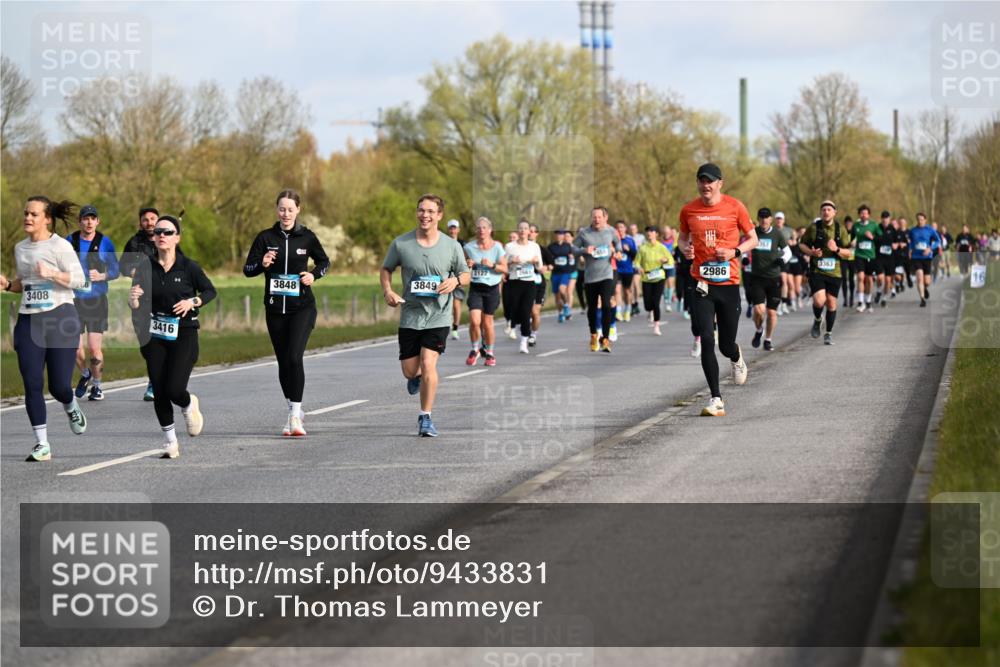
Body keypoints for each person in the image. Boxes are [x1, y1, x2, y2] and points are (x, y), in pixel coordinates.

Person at [1, 197, 88, 461]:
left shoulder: (60, 246)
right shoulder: (20, 248)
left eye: (34, 214)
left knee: (59, 387)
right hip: (29, 321)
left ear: (47, 219)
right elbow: (25, 283)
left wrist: (53, 273)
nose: (27, 218)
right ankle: (42, 444)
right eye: (26, 213)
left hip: (60, 318)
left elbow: (80, 280)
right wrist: (8, 285)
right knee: (32, 382)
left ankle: (70, 403)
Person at [243, 189, 331, 437]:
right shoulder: (265, 238)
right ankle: (292, 409)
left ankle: (295, 416)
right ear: (277, 210)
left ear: (298, 210)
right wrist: (262, 264)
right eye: (282, 209)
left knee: (294, 357)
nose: (286, 214)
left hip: (301, 307)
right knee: (283, 361)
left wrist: (313, 275)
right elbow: (247, 269)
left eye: (290, 209)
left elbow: (325, 262)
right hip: (274, 309)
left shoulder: (307, 237)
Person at [381, 194, 470, 437]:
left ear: (439, 215)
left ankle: (425, 417)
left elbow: (465, 274)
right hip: (411, 315)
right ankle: (417, 376)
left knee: (429, 362)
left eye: (430, 211)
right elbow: (386, 269)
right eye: (421, 210)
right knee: (410, 371)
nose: (425, 215)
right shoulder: (402, 243)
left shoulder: (452, 246)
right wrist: (388, 290)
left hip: (439, 315)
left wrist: (455, 281)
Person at [129, 214, 213, 459]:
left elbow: (210, 291)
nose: (161, 236)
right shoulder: (145, 267)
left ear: (177, 238)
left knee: (175, 389)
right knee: (159, 388)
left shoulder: (189, 267)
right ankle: (170, 442)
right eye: (158, 232)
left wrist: (192, 301)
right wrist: (133, 300)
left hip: (184, 333)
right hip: (154, 334)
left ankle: (187, 403)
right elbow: (136, 303)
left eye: (167, 232)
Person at [678, 163, 756, 416]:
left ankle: (736, 355)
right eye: (701, 181)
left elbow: (753, 239)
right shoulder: (689, 210)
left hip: (729, 284)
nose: (705, 185)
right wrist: (685, 249)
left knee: (725, 345)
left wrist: (735, 252)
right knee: (706, 338)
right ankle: (716, 398)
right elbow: (682, 238)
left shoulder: (735, 207)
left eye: (710, 181)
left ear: (720, 183)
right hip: (701, 283)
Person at [68, 204, 120, 401]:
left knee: (94, 349)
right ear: (80, 221)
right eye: (85, 218)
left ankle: (97, 386)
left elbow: (115, 271)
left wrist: (102, 276)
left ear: (98, 221)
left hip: (96, 301)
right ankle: (85, 374)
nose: (89, 222)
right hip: (73, 300)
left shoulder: (105, 243)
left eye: (92, 218)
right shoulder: (70, 241)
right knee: (74, 348)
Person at [121, 206, 164, 401]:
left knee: (160, 342)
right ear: (140, 222)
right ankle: (156, 375)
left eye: (153, 218)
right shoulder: (134, 242)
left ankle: (155, 382)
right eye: (145, 219)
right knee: (145, 343)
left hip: (161, 297)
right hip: (139, 298)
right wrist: (131, 270)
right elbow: (123, 265)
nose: (149, 222)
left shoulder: (165, 238)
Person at [800, 201, 852, 345]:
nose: (826, 212)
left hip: (835, 272)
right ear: (820, 212)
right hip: (817, 270)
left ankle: (828, 333)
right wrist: (811, 252)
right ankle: (818, 319)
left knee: (831, 303)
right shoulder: (813, 228)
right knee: (819, 300)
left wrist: (837, 249)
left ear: (834, 212)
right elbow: (802, 244)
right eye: (823, 209)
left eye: (829, 209)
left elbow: (849, 253)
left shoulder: (841, 229)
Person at [574, 207, 622, 352]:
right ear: (591, 218)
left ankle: (605, 339)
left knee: (606, 305)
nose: (596, 219)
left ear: (604, 218)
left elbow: (618, 244)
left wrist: (618, 252)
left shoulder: (611, 231)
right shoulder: (584, 233)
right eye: (594, 217)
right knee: (592, 308)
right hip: (590, 276)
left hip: (606, 274)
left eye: (599, 217)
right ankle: (594, 334)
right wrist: (584, 250)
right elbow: (573, 248)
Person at [463, 216, 507, 366]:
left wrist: (492, 265)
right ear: (475, 230)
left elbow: (505, 269)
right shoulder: (468, 248)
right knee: (474, 321)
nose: (481, 230)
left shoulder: (497, 247)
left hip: (492, 288)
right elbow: (461, 267)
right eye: (478, 228)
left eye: (484, 227)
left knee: (487, 323)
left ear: (490, 230)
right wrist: (467, 265)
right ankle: (475, 349)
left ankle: (490, 353)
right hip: (476, 287)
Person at [747, 208, 788, 351]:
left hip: (773, 278)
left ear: (771, 219)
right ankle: (759, 330)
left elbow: (787, 251)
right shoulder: (754, 232)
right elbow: (746, 247)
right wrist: (745, 258)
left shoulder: (777, 234)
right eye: (761, 218)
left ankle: (768, 339)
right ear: (758, 219)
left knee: (771, 312)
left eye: (766, 218)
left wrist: (782, 260)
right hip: (757, 278)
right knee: (759, 310)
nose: (764, 220)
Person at [504, 220, 544, 354]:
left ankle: (523, 341)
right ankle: (516, 327)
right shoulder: (509, 246)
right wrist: (511, 261)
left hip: (529, 283)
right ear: (517, 230)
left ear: (528, 232)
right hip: (514, 282)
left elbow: (540, 266)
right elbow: (503, 265)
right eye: (520, 228)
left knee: (526, 312)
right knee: (515, 311)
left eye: (525, 228)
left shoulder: (534, 246)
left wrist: (536, 262)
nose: (523, 231)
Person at [634, 225, 673, 335]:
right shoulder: (643, 248)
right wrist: (639, 267)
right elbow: (636, 262)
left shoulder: (662, 247)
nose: (649, 233)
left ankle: (656, 326)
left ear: (656, 234)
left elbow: (671, 260)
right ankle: (649, 311)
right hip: (646, 278)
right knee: (647, 305)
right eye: (648, 231)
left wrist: (666, 260)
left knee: (656, 302)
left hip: (659, 277)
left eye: (652, 231)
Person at [851, 205, 882, 313]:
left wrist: (872, 237)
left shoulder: (874, 225)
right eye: (862, 213)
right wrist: (851, 242)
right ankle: (860, 302)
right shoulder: (855, 226)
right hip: (859, 255)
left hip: (870, 256)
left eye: (865, 213)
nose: (863, 215)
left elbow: (881, 238)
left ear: (869, 215)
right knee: (860, 277)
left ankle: (868, 301)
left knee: (869, 279)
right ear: (859, 215)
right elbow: (851, 237)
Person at [908, 213, 942, 307]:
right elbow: (910, 242)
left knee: (927, 282)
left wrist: (930, 248)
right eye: (918, 219)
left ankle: (925, 288)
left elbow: (938, 241)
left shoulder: (930, 230)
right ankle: (922, 299)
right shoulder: (912, 231)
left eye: (922, 219)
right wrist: (909, 250)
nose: (920, 221)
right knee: (919, 277)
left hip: (927, 258)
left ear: (925, 220)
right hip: (916, 257)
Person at [527, 223, 553, 346]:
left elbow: (552, 264)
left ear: (537, 234)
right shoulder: (520, 248)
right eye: (529, 231)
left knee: (535, 311)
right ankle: (526, 325)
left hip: (538, 282)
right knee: (525, 311)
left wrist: (546, 267)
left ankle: (533, 334)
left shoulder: (541, 249)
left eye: (533, 231)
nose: (530, 233)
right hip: (524, 283)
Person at [547, 229, 575, 322]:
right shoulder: (551, 247)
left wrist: (571, 258)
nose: (559, 236)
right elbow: (547, 258)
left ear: (563, 236)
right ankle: (560, 313)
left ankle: (566, 305)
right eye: (557, 234)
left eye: (560, 234)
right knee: (557, 296)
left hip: (565, 272)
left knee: (562, 289)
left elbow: (571, 258)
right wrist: (549, 264)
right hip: (555, 273)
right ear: (555, 236)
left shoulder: (567, 246)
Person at [613, 220, 637, 322]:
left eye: (621, 227)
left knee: (627, 292)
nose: (620, 229)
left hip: (628, 270)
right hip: (617, 269)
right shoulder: (613, 240)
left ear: (625, 228)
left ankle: (627, 310)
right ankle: (618, 312)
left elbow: (635, 255)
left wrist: (629, 250)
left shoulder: (630, 240)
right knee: (617, 290)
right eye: (618, 227)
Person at [446, 219, 466, 339]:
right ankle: (446, 322)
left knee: (456, 304)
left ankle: (455, 328)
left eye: (454, 228)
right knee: (444, 303)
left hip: (458, 276)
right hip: (445, 276)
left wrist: (464, 275)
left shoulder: (463, 244)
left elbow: (467, 260)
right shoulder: (442, 242)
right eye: (451, 228)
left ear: (458, 230)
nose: (452, 230)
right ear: (448, 230)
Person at [875, 211, 899, 308]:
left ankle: (884, 298)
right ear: (881, 219)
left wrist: (896, 245)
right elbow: (874, 239)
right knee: (880, 278)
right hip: (879, 257)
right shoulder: (877, 228)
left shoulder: (892, 229)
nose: (885, 220)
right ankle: (878, 291)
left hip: (890, 259)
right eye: (883, 218)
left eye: (887, 218)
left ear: (889, 219)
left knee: (888, 281)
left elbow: (897, 241)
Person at [774, 212, 795, 313]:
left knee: (784, 280)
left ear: (783, 220)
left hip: (784, 259)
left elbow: (795, 240)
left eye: (780, 219)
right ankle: (777, 303)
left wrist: (793, 242)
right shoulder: (772, 230)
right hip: (773, 259)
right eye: (777, 218)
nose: (779, 220)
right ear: (775, 220)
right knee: (775, 282)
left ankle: (784, 304)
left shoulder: (788, 231)